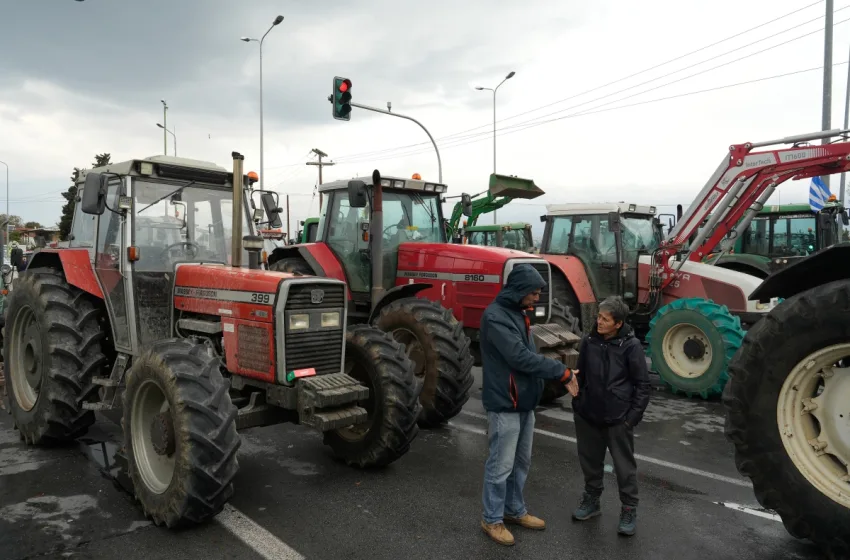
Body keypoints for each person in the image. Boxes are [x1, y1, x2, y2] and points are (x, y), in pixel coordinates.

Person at [479, 263, 578, 546]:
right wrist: (562, 371)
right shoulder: (496, 317)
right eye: (533, 293)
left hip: (524, 402)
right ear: (519, 290)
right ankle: (492, 519)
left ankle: (513, 510)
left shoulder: (517, 313)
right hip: (505, 403)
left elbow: (528, 358)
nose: (537, 298)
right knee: (501, 465)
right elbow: (520, 358)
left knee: (521, 462)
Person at [570, 295, 651, 536]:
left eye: (605, 319)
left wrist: (630, 419)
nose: (599, 322)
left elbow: (642, 385)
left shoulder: (631, 346)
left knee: (624, 469)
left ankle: (628, 509)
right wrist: (578, 404)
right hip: (588, 416)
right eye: (599, 317)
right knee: (590, 464)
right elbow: (580, 375)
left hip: (618, 419)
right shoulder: (589, 341)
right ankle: (591, 501)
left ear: (618, 323)